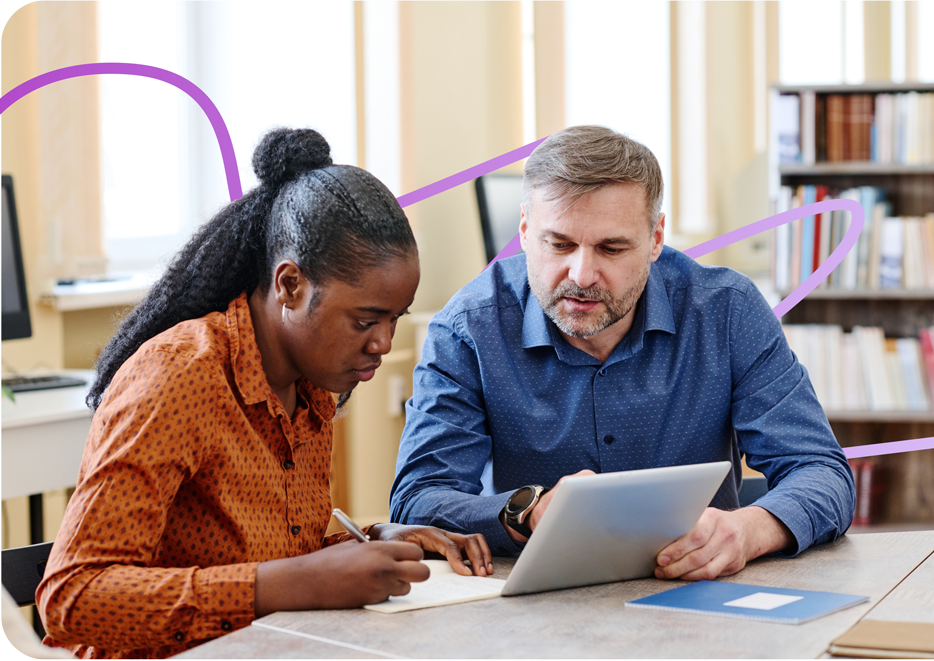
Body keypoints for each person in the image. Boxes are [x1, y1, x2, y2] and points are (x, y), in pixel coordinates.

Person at [37, 128, 492, 659]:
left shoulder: (312, 388)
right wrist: (296, 582)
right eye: (366, 320)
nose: (384, 344)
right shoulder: (176, 379)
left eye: (395, 319)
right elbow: (72, 598)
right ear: (290, 286)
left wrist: (375, 542)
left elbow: (271, 556)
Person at [391, 125, 855, 581]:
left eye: (611, 248)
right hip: (536, 614)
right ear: (526, 230)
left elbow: (820, 470)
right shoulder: (468, 328)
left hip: (702, 601)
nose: (582, 273)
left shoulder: (727, 312)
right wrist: (527, 511)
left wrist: (750, 529)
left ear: (655, 239)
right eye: (559, 244)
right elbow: (418, 498)